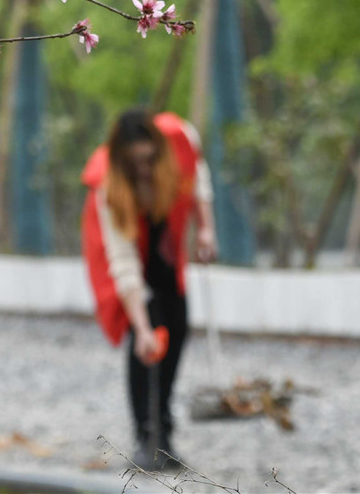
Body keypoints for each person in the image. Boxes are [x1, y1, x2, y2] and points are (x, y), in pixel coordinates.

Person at [81, 109, 217, 473]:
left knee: (177, 328)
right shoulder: (110, 186)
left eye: (149, 159)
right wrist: (140, 329)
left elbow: (199, 177)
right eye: (134, 163)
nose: (143, 169)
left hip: (165, 249)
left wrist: (205, 229)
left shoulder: (180, 140)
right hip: (128, 249)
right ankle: (145, 437)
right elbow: (123, 263)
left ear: (159, 149)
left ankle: (165, 434)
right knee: (148, 344)